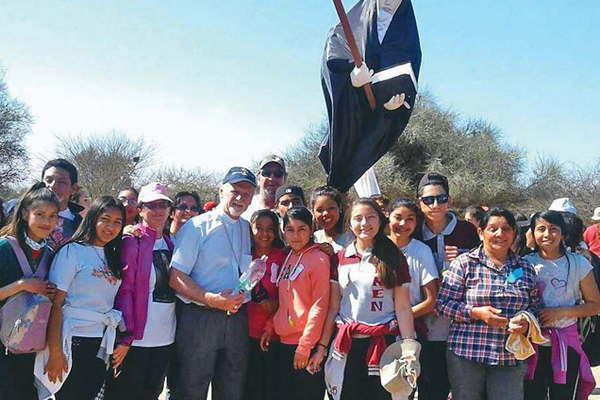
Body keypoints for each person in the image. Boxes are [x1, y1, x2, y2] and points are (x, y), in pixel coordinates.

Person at [169, 167, 256, 400]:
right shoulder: (197, 226)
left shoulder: (246, 228)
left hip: (236, 319)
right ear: (221, 190)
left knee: (231, 387)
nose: (240, 198)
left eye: (246, 193)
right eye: (235, 190)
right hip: (200, 317)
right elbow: (176, 277)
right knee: (191, 387)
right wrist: (211, 300)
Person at [317, 198, 415, 400]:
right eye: (358, 218)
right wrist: (322, 347)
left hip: (385, 344)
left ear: (380, 220)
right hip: (347, 345)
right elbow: (334, 307)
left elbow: (403, 307)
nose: (364, 223)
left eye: (370, 217)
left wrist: (409, 348)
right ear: (349, 223)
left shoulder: (394, 256)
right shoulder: (340, 258)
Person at [437, 207, 539, 400]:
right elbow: (443, 304)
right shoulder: (464, 263)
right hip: (466, 354)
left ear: (514, 234)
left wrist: (527, 322)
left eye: (506, 229)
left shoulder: (524, 267)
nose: (500, 234)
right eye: (493, 229)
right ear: (480, 232)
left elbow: (534, 306)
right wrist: (475, 313)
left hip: (509, 356)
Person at [39, 196, 125, 400]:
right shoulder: (72, 251)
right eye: (105, 219)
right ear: (93, 218)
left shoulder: (113, 255)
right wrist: (55, 352)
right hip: (72, 340)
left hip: (100, 341)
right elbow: (56, 304)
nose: (110, 227)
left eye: (117, 222)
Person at [104, 183, 176, 400]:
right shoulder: (131, 241)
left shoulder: (173, 244)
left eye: (163, 204)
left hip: (165, 338)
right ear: (140, 209)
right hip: (135, 342)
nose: (158, 210)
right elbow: (125, 291)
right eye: (151, 205)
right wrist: (126, 338)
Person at [414, 172, 479, 400]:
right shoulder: (413, 232)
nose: (435, 205)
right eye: (428, 200)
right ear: (419, 203)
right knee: (430, 387)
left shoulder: (467, 232)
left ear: (449, 201)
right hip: (425, 324)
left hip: (463, 325)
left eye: (441, 199)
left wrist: (462, 257)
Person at [524, 211, 600, 399]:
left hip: (567, 344)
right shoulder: (523, 264)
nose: (547, 235)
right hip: (530, 346)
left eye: (553, 229)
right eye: (541, 229)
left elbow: (595, 305)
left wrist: (561, 313)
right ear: (532, 234)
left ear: (563, 234)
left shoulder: (579, 264)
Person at [0, 183, 59, 399]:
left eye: (53, 216)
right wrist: (21, 286)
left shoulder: (50, 253)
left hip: (31, 346)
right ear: (25, 213)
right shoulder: (4, 248)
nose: (46, 221)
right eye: (40, 214)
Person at [266, 206, 330, 400]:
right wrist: (271, 326)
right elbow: (284, 300)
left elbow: (320, 305)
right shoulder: (288, 257)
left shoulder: (319, 259)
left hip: (304, 345)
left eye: (302, 229)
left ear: (311, 230)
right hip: (283, 343)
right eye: (290, 230)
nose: (296, 235)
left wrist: (305, 346)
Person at [387, 198, 438, 398]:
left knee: (403, 390)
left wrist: (400, 320)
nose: (403, 224)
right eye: (398, 217)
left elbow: (431, 300)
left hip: (409, 334)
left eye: (410, 219)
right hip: (376, 333)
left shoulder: (421, 251)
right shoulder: (375, 247)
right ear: (387, 217)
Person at [244, 209, 286, 400]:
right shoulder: (244, 256)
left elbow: (290, 295)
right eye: (258, 228)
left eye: (270, 228)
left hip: (273, 334)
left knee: (270, 388)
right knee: (247, 388)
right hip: (244, 334)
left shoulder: (283, 257)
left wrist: (275, 305)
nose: (264, 233)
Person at [41, 159, 84, 250]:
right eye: (48, 180)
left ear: (74, 188)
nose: (52, 186)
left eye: (61, 182)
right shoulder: (25, 215)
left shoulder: (80, 225)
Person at [241, 155, 286, 220]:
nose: (271, 178)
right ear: (258, 178)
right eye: (266, 173)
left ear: (285, 179)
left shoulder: (291, 210)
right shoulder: (244, 207)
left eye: (278, 173)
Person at [311, 186, 354, 253]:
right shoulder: (313, 239)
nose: (325, 213)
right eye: (320, 210)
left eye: (331, 208)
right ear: (313, 212)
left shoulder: (352, 237)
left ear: (340, 208)